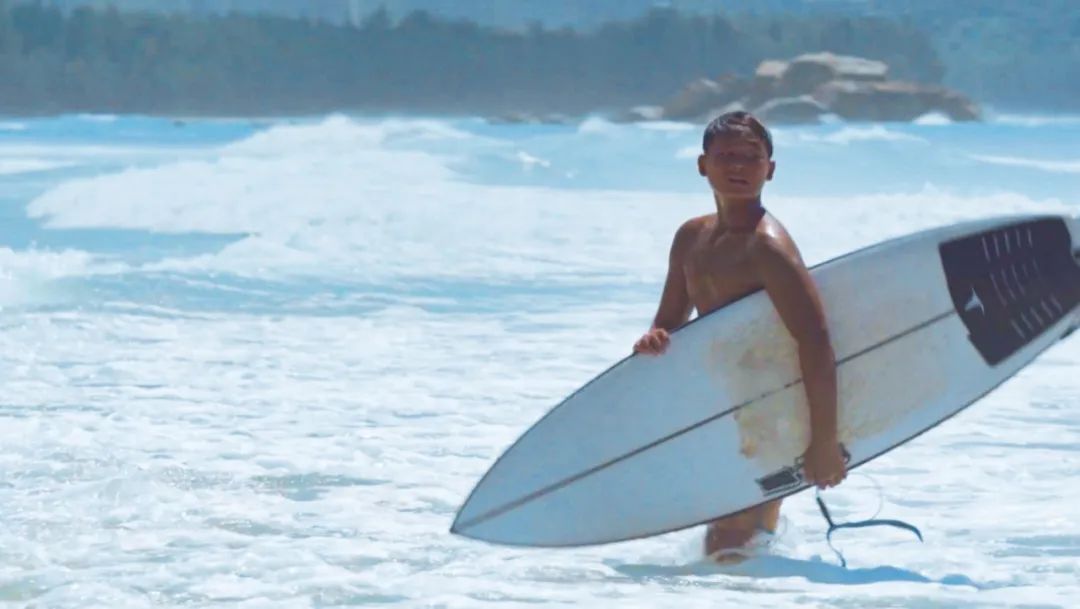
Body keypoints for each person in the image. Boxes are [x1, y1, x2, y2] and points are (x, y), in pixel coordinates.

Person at [631, 111, 848, 558]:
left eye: (752, 157)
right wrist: (655, 338)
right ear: (701, 164)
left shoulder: (767, 247)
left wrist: (823, 441)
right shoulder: (691, 237)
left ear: (770, 169)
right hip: (725, 402)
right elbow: (670, 319)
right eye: (726, 155)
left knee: (731, 535)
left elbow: (816, 340)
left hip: (774, 402)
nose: (738, 166)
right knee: (729, 535)